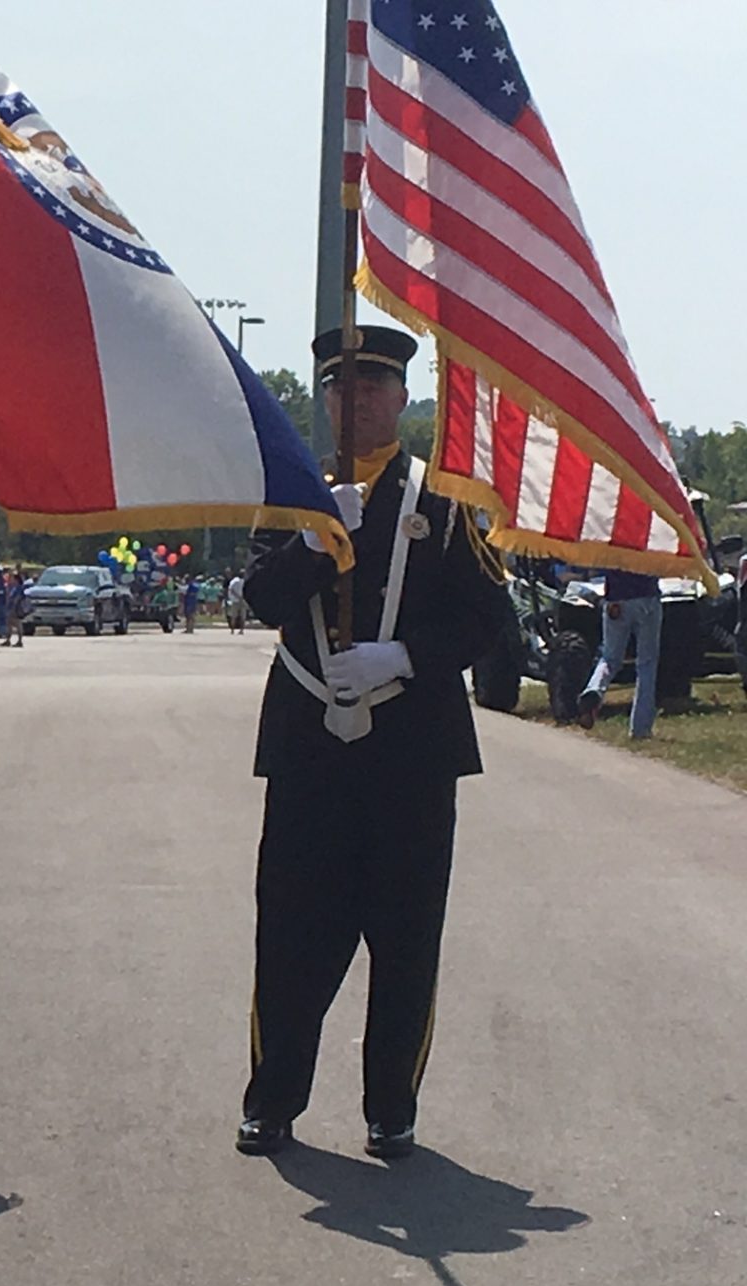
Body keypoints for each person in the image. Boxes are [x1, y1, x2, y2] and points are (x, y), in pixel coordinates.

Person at [236, 324, 512, 1161]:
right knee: (290, 933)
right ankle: (272, 1099)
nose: (354, 401)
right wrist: (317, 543)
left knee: (404, 937)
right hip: (311, 745)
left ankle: (391, 1105)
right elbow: (261, 598)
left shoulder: (447, 498)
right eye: (340, 388)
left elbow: (490, 621)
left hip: (412, 749)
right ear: (323, 400)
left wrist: (406, 654)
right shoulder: (291, 493)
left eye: (372, 387)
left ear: (400, 399)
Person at [578, 568, 662, 738]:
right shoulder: (649, 543)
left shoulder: (613, 544)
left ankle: (594, 689)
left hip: (615, 600)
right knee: (646, 664)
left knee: (609, 658)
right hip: (647, 599)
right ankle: (640, 728)